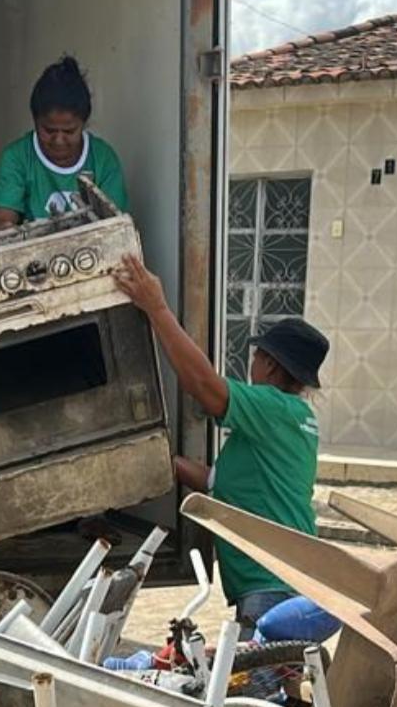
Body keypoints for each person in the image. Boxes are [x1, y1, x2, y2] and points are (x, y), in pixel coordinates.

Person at [113, 255, 339, 642]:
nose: (252, 365)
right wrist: (160, 460)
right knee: (268, 677)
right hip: (282, 581)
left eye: (256, 357)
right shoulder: (294, 418)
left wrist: (156, 308)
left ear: (270, 365)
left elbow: (204, 385)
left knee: (256, 679)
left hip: (271, 586)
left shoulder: (274, 407)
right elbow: (223, 484)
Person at [0, 55, 128, 231]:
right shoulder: (17, 158)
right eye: (49, 130)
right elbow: (1, 220)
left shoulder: (103, 159)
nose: (59, 141)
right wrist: (5, 228)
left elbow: (116, 227)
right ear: (35, 121)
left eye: (69, 131)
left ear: (83, 124)